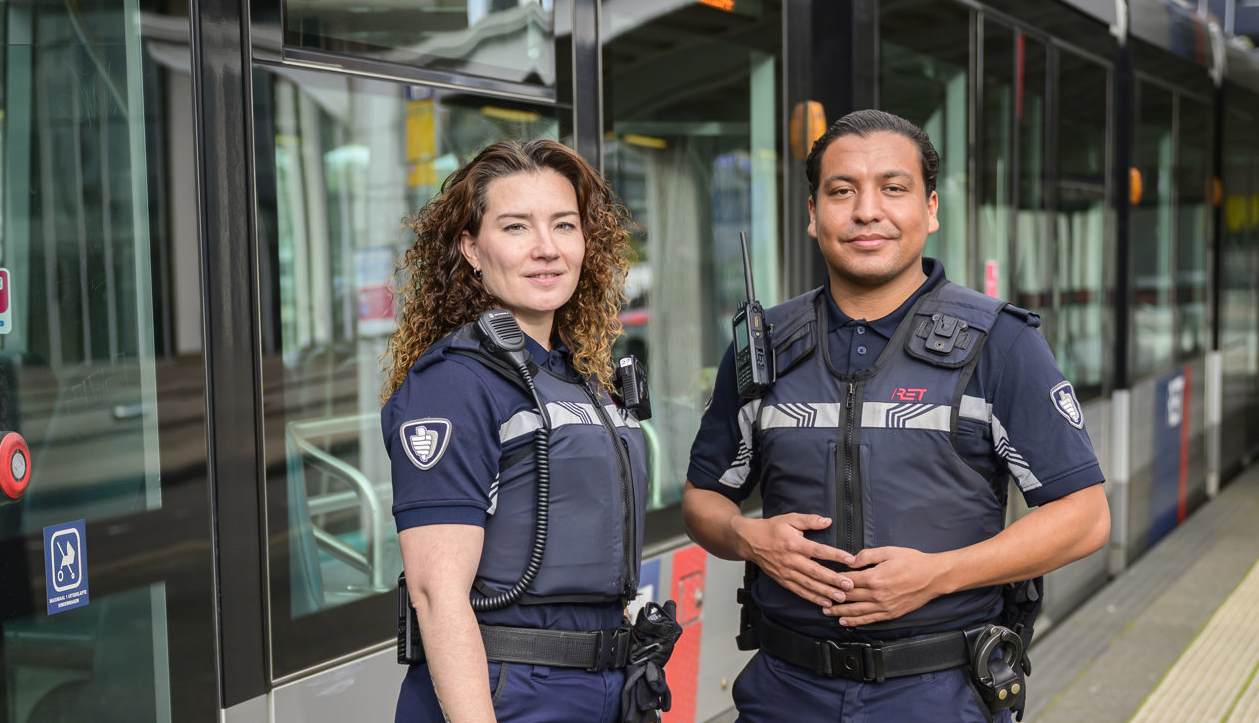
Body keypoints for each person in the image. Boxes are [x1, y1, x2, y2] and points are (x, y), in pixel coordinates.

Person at [683, 110, 1110, 723]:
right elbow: (703, 500)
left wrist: (939, 575)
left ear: (930, 209)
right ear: (813, 214)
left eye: (893, 187)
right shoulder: (764, 346)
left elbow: (1085, 517)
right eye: (842, 191)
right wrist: (746, 538)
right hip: (784, 692)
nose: (867, 211)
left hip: (940, 693)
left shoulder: (1001, 343)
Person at [381, 138, 655, 723]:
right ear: (471, 249)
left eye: (564, 225)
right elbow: (435, 593)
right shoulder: (453, 383)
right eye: (515, 227)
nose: (546, 248)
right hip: (508, 691)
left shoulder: (580, 375)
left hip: (605, 688)